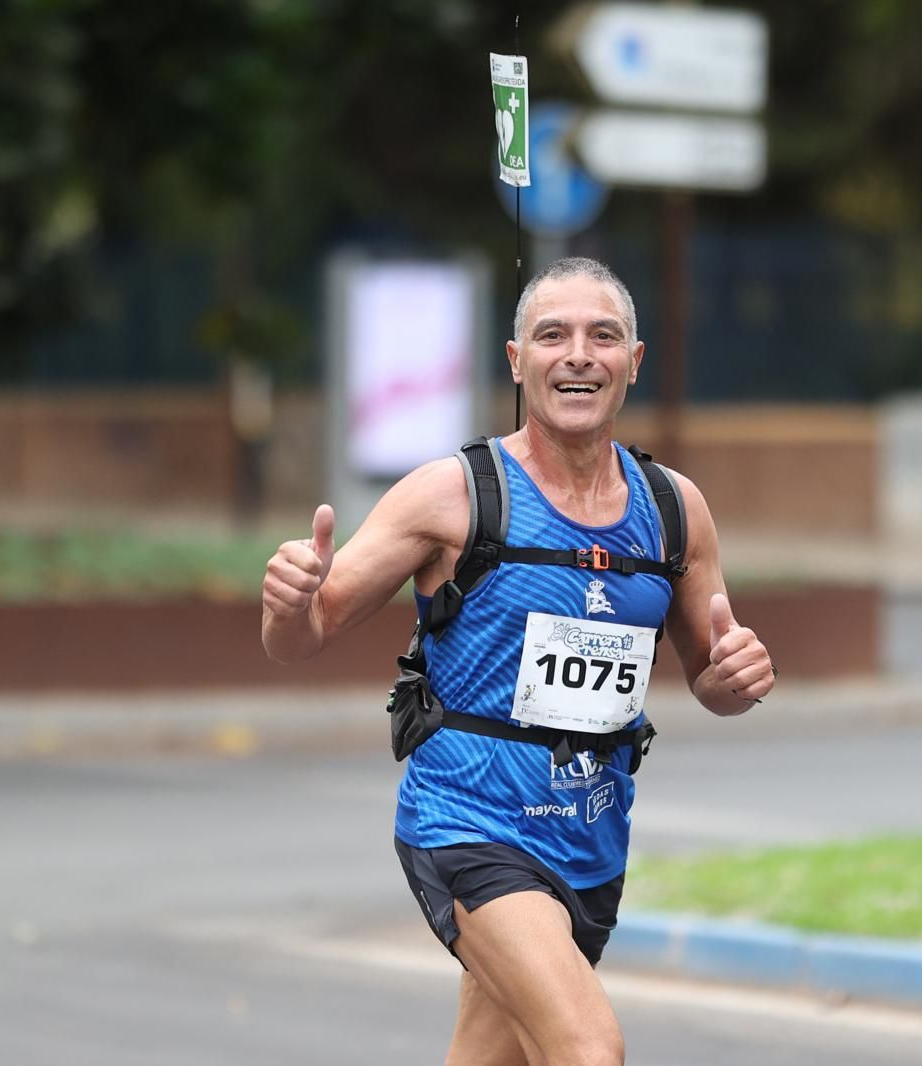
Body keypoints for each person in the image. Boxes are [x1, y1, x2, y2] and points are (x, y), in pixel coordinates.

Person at [261, 257, 775, 1066]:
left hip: (590, 837)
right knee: (586, 1049)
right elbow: (304, 633)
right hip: (469, 821)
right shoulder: (454, 495)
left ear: (633, 363)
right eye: (552, 335)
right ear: (515, 361)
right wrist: (290, 601)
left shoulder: (675, 509)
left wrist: (735, 680)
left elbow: (716, 678)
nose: (578, 354)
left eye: (603, 336)